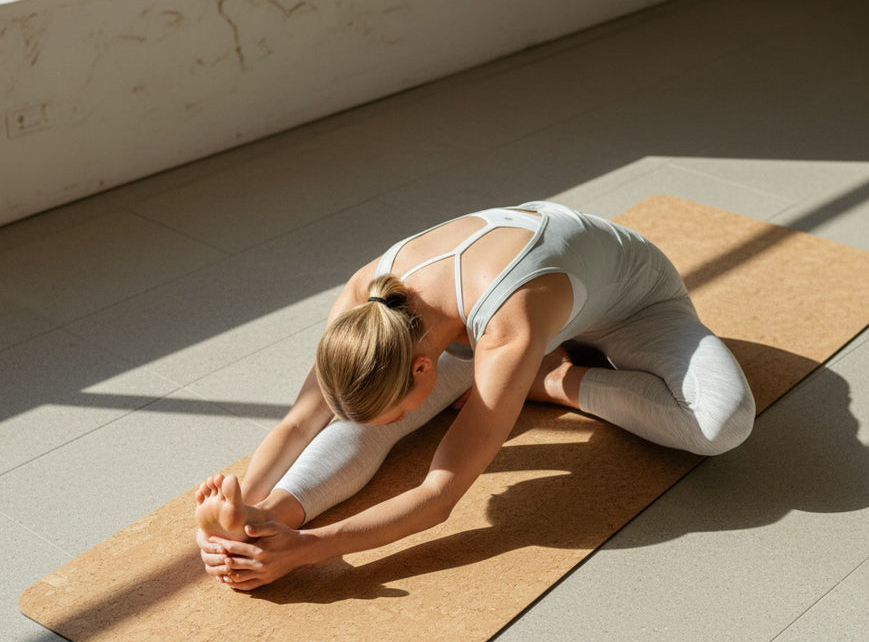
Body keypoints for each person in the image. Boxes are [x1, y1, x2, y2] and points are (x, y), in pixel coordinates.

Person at [195, 200, 755, 589]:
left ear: (421, 367)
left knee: (720, 424)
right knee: (365, 416)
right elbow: (299, 421)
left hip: (628, 303)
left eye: (406, 401)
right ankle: (276, 510)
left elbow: (440, 495)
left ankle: (550, 379)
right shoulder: (363, 307)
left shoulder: (506, 329)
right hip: (493, 324)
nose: (398, 418)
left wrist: (307, 549)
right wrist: (253, 516)